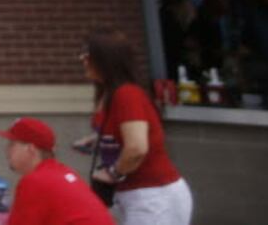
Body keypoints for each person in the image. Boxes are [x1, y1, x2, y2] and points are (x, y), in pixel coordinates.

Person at [79, 28, 191, 225]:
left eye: (88, 54)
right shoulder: (109, 93)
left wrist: (112, 173)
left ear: (106, 60)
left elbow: (137, 147)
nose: (82, 59)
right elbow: (122, 133)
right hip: (134, 195)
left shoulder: (126, 94)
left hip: (152, 196)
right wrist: (97, 140)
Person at [0, 117, 110, 225]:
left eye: (12, 144)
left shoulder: (35, 181)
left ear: (31, 149)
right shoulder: (61, 171)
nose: (7, 150)